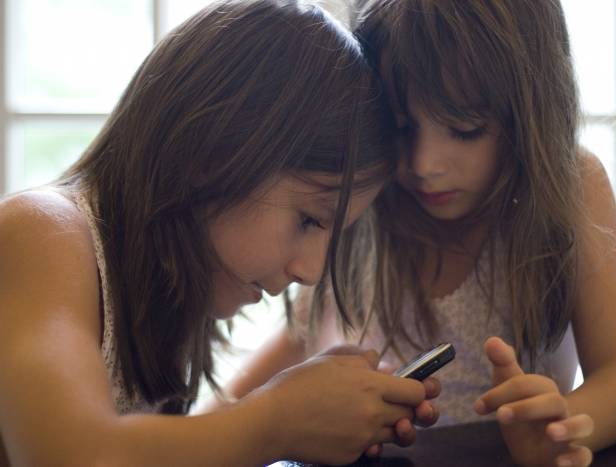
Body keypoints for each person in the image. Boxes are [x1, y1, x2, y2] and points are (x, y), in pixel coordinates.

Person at [0, 1, 443, 466]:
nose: (311, 271)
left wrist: (317, 419)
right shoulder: (40, 234)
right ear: (212, 154)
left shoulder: (170, 297)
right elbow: (72, 459)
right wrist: (279, 419)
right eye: (309, 219)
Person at [223, 1, 616, 466]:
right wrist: (223, 430)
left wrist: (562, 426)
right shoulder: (371, 193)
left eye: (465, 129)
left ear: (529, 112)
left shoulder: (568, 186)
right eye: (403, 128)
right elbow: (293, 344)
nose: (426, 164)